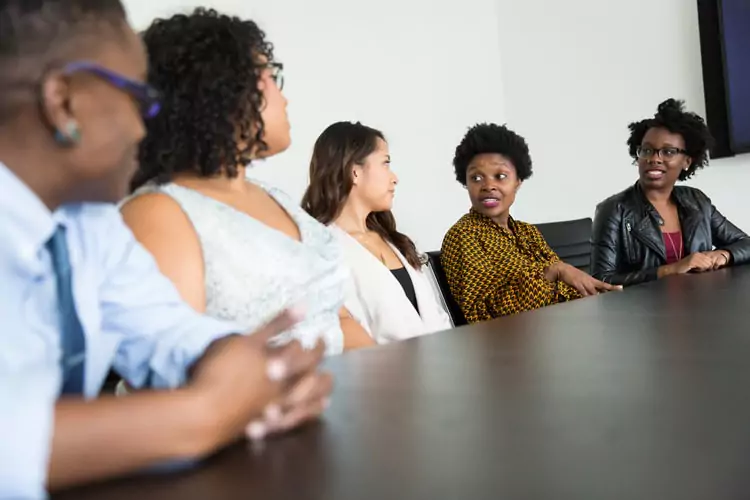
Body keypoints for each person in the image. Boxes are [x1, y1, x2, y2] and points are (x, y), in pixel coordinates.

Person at [0, 2, 331, 498]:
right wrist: (208, 412)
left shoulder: (89, 225)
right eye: (138, 97)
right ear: (62, 103)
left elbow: (169, 332)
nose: (145, 127)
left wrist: (257, 372)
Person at [120, 9, 374, 354]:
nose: (284, 98)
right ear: (220, 89)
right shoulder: (158, 213)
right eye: (270, 76)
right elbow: (173, 377)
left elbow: (337, 320)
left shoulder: (277, 199)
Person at [441, 123, 619, 324]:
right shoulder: (464, 236)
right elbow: (481, 314)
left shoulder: (527, 232)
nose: (488, 186)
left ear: (518, 181)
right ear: (465, 183)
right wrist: (552, 272)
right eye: (476, 178)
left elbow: (564, 289)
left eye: (500, 176)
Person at [301, 121, 453, 343]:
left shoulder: (394, 241)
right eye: (385, 163)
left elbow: (438, 317)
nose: (394, 178)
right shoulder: (320, 250)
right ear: (354, 171)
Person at [590, 99, 750, 286]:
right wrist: (668, 271)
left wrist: (724, 254)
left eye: (668, 152)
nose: (654, 159)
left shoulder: (697, 201)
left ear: (687, 161)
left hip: (702, 305)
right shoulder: (614, 210)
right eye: (647, 150)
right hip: (644, 313)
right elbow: (599, 281)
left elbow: (745, 243)